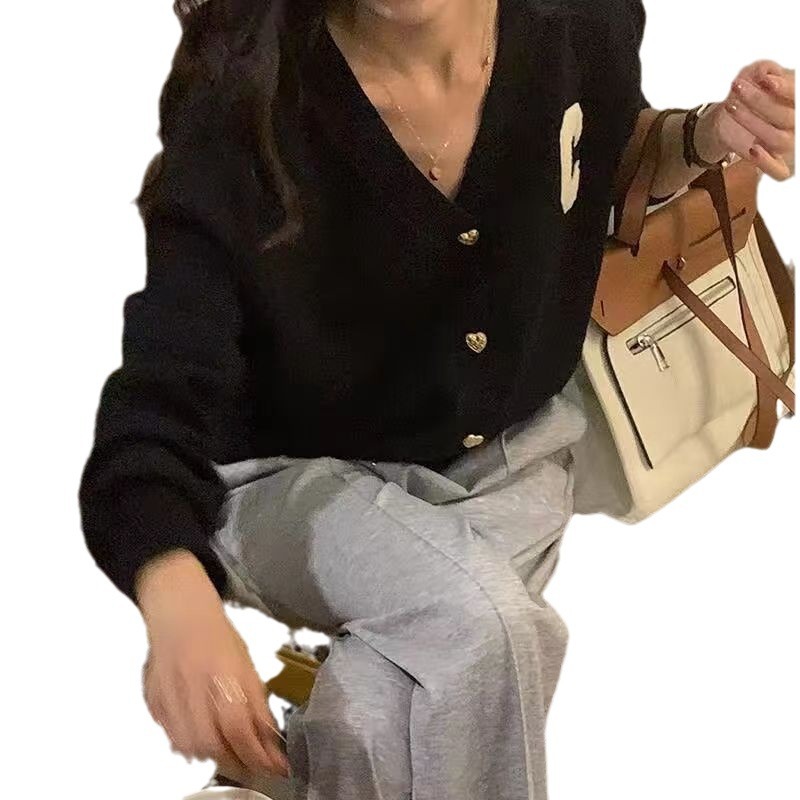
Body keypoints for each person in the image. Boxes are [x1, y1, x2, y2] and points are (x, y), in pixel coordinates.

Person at [78, 0, 796, 797]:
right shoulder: (241, 94)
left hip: (510, 464)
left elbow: (607, 152)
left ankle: (275, 780)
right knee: (486, 627)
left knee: (373, 714)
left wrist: (706, 136)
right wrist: (175, 595)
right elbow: (161, 385)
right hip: (292, 481)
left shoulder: (578, 22)